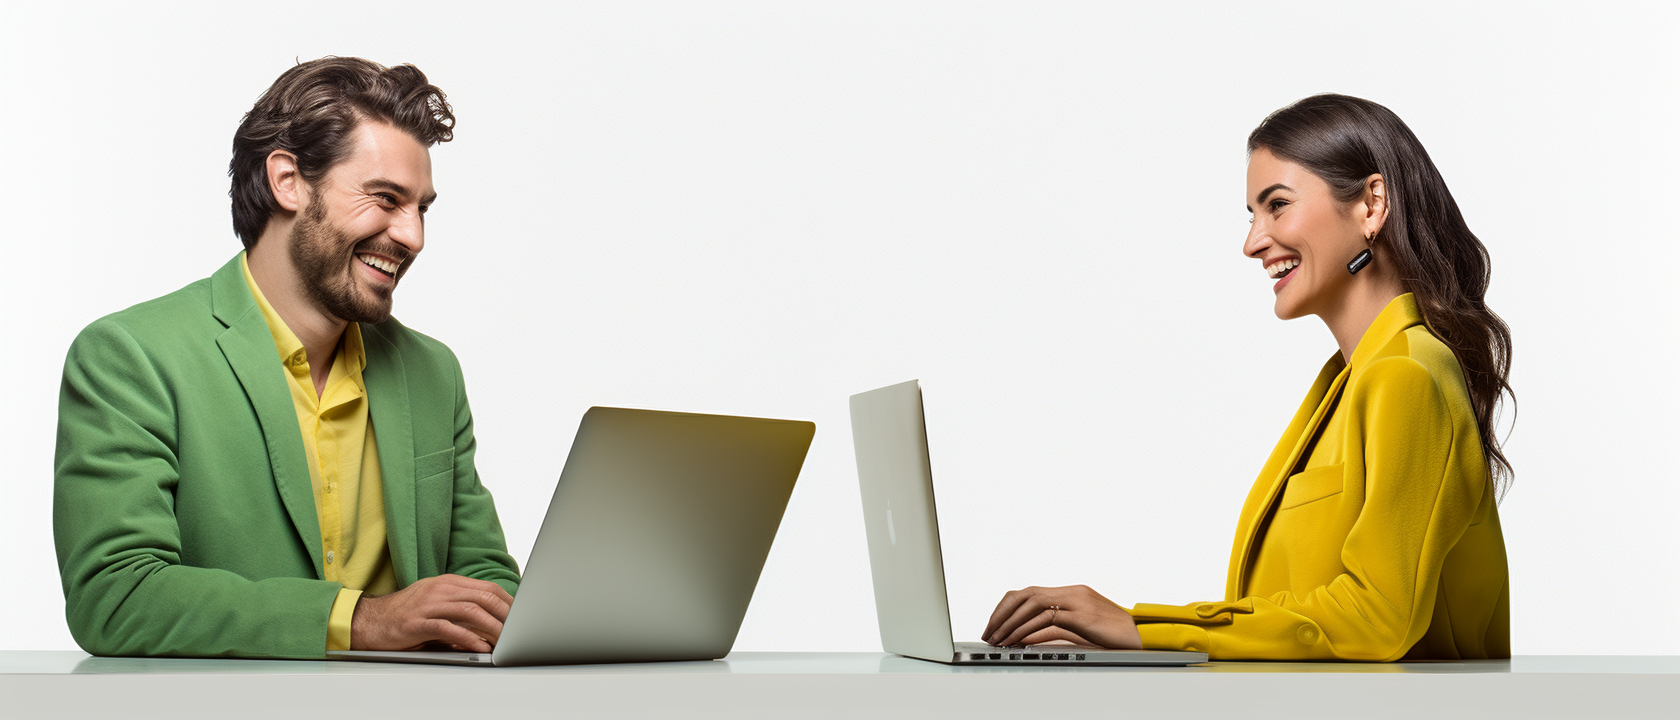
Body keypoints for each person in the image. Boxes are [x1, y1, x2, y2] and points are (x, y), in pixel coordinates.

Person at [983, 94, 1513, 661]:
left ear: (1371, 204)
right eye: (1252, 216)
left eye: (1277, 205)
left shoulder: (1407, 374)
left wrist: (1138, 627)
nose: (1253, 241)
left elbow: (1376, 616)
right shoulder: (1349, 381)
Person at [54, 57, 520, 659]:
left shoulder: (433, 372)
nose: (412, 236)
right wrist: (365, 620)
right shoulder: (130, 357)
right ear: (288, 181)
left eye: (422, 208)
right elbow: (115, 598)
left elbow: (485, 580)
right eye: (385, 199)